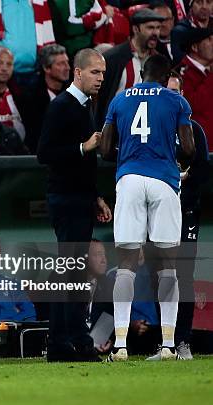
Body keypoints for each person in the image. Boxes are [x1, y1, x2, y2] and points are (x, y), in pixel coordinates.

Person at [100, 54, 195, 362]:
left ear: (141, 73)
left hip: (128, 179)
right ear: (167, 75)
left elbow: (104, 150)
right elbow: (191, 149)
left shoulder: (119, 100)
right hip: (164, 181)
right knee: (168, 265)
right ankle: (168, 345)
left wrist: (130, 153)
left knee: (126, 264)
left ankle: (121, 345)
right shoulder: (176, 101)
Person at [37, 48, 112, 363]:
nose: (100, 79)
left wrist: (95, 195)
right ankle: (78, 342)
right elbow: (45, 153)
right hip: (66, 199)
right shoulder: (62, 106)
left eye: (103, 74)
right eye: (95, 72)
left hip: (78, 197)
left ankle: (59, 343)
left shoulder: (84, 105)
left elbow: (82, 163)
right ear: (77, 73)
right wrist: (84, 146)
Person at [164, 73, 209, 360]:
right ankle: (165, 342)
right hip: (158, 213)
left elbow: (203, 169)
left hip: (186, 211)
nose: (173, 97)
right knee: (160, 277)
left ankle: (183, 341)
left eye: (176, 92)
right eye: (167, 91)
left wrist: (185, 179)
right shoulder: (153, 128)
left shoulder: (193, 129)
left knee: (184, 277)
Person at [94, 9, 165, 129]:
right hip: (117, 129)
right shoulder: (113, 58)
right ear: (136, 29)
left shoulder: (160, 62)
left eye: (158, 28)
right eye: (150, 28)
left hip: (149, 130)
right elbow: (99, 99)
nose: (155, 33)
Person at [20, 44, 70, 152]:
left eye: (67, 62)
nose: (67, 67)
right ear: (46, 68)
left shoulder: (75, 93)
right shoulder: (30, 97)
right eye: (61, 64)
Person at [175, 28, 213, 149]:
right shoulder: (180, 75)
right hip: (198, 148)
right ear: (195, 47)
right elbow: (194, 105)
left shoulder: (208, 71)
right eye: (209, 39)